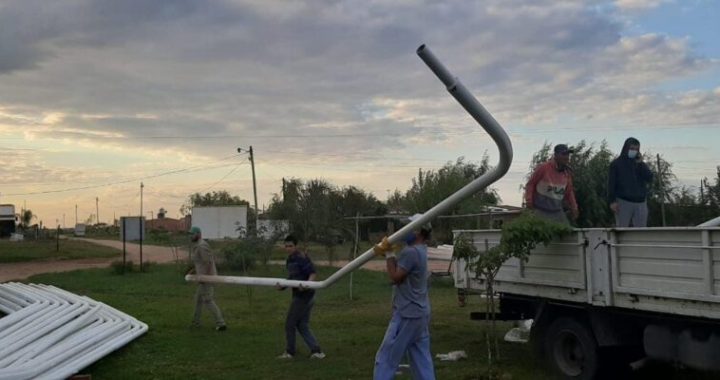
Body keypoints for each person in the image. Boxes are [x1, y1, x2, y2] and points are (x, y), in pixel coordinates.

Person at [373, 215, 435, 380]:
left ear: (418, 231)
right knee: (421, 359)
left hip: (408, 314)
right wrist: (390, 254)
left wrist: (389, 254)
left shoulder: (411, 252)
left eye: (408, 227)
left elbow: (395, 277)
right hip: (420, 313)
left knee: (386, 357)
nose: (404, 230)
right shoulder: (421, 249)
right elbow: (401, 269)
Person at [277, 235, 325, 359]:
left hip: (305, 296)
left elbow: (312, 273)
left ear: (296, 246)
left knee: (290, 323)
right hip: (298, 295)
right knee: (302, 324)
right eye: (286, 246)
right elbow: (292, 277)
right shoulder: (290, 260)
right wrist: (283, 286)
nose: (288, 248)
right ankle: (317, 351)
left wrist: (307, 284)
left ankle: (290, 352)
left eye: (291, 246)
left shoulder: (301, 258)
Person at [524, 144, 579, 225]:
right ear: (556, 155)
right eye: (563, 154)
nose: (566, 157)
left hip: (557, 211)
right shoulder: (543, 168)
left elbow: (569, 192)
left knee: (566, 232)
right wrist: (529, 201)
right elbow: (530, 184)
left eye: (568, 155)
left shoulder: (567, 173)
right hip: (540, 210)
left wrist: (574, 207)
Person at [187, 226, 226, 331]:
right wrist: (193, 271)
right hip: (203, 277)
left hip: (206, 278)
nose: (190, 236)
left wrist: (203, 277)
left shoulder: (201, 246)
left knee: (208, 300)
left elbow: (207, 262)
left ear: (198, 234)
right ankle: (196, 322)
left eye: (192, 234)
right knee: (198, 300)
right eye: (190, 234)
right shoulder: (197, 245)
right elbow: (200, 263)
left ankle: (221, 323)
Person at [608, 137, 654, 227]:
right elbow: (611, 184)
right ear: (626, 148)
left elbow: (649, 178)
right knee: (622, 230)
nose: (634, 151)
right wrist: (612, 201)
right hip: (623, 202)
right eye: (632, 149)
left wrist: (641, 164)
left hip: (641, 202)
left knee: (641, 233)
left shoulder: (639, 164)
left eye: (636, 149)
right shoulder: (616, 164)